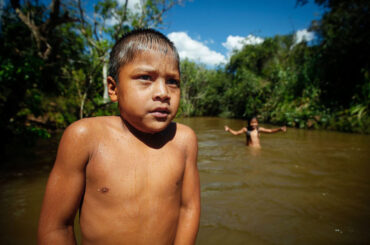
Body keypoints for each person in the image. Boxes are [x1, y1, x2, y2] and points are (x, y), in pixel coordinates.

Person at [38, 29, 200, 245]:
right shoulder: (84, 137)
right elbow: (56, 227)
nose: (163, 92)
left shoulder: (184, 140)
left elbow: (189, 208)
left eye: (172, 81)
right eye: (145, 78)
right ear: (113, 88)